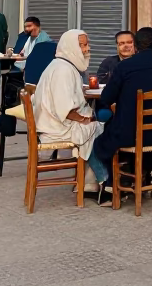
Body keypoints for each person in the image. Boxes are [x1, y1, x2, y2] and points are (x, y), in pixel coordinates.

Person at [88, 26, 152, 204]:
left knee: (101, 141)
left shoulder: (125, 66)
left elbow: (106, 98)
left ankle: (114, 183)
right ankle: (142, 174)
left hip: (132, 135)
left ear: (136, 45)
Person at [32, 30, 102, 194]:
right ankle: (97, 181)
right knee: (100, 129)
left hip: (56, 123)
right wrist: (85, 120)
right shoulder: (63, 70)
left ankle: (87, 182)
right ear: (71, 47)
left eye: (87, 44)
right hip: (58, 128)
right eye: (82, 45)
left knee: (97, 124)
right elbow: (65, 109)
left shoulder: (63, 66)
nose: (87, 49)